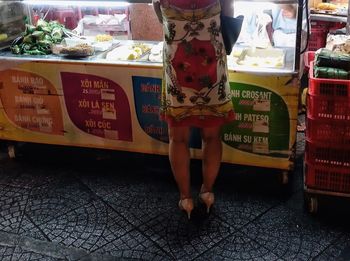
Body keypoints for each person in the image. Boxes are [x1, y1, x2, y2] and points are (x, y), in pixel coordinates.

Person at [152, 0, 236, 219]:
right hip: (211, 62)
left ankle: (185, 197)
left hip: (177, 61)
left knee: (178, 137)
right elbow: (229, 13)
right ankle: (207, 192)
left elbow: (157, 8)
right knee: (212, 135)